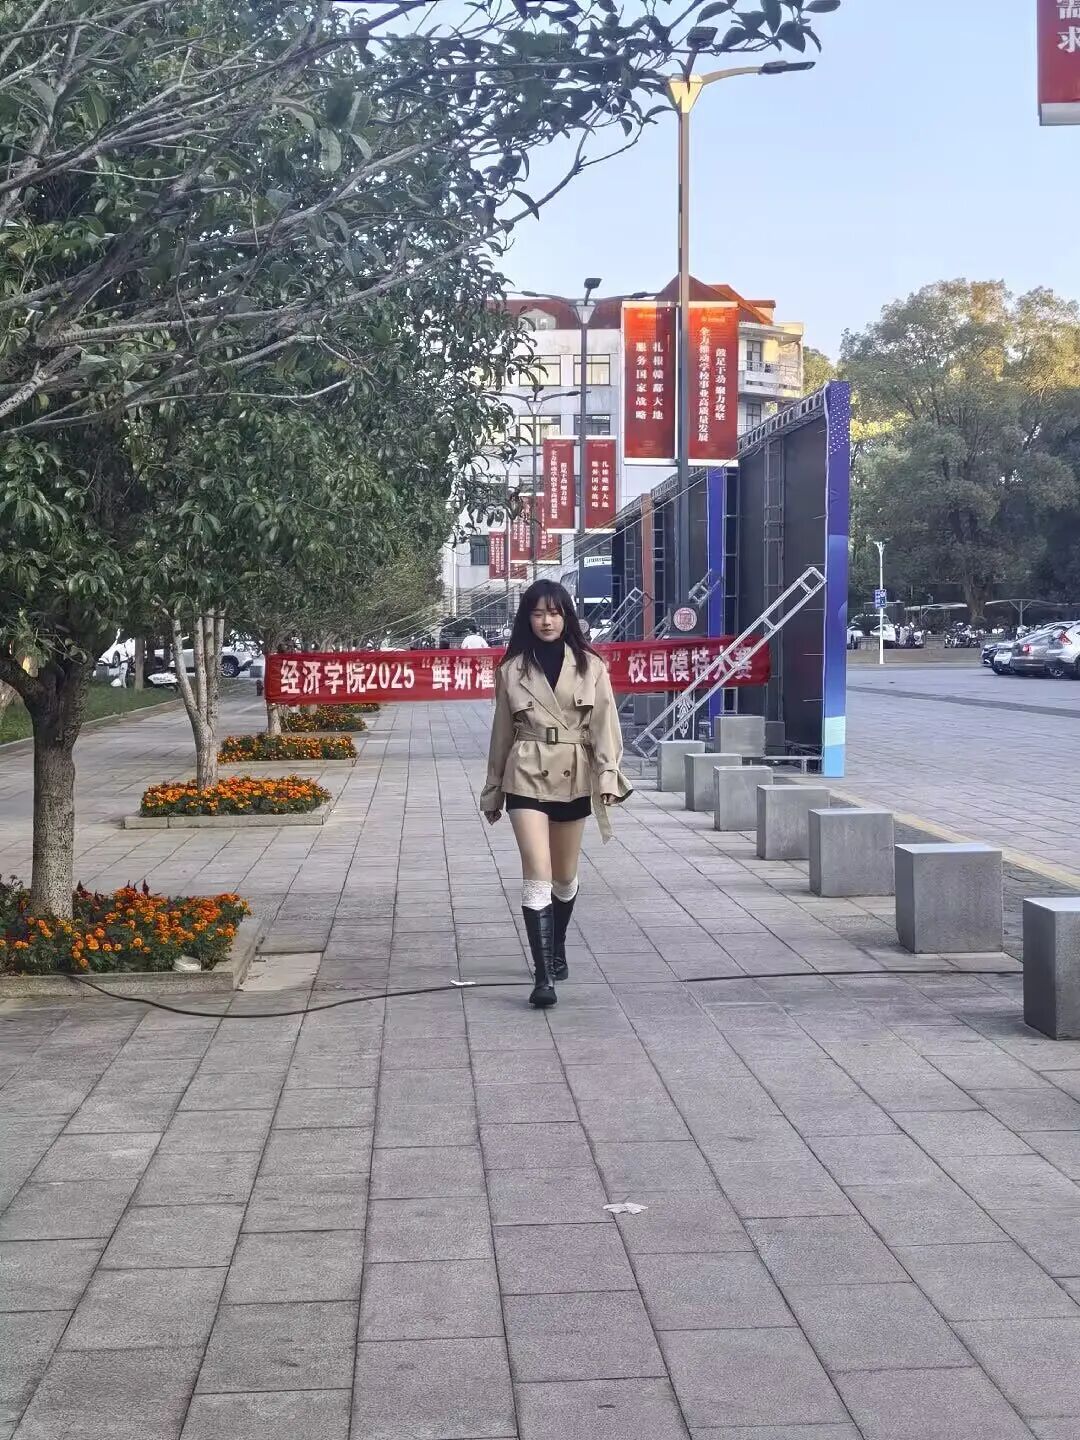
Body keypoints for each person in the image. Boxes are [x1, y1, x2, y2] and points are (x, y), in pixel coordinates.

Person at [481, 579, 632, 1008]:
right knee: (537, 872)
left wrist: (608, 775)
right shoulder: (511, 670)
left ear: (567, 617)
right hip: (525, 771)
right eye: (537, 613)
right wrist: (493, 790)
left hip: (574, 773)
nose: (546, 621)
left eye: (554, 612)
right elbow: (501, 733)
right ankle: (543, 974)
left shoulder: (590, 666)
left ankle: (557, 944)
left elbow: (605, 726)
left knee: (564, 877)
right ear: (526, 619)